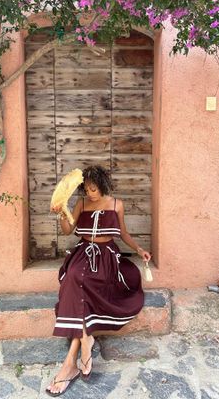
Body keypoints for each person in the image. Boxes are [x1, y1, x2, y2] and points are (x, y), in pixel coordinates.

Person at [46, 165, 151, 397]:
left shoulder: (116, 204)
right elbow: (67, 230)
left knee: (85, 284)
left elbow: (123, 233)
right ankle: (84, 343)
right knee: (74, 278)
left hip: (106, 257)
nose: (90, 193)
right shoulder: (81, 204)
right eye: (87, 189)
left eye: (94, 189)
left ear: (102, 185)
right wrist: (62, 212)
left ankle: (71, 361)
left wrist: (139, 248)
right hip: (83, 253)